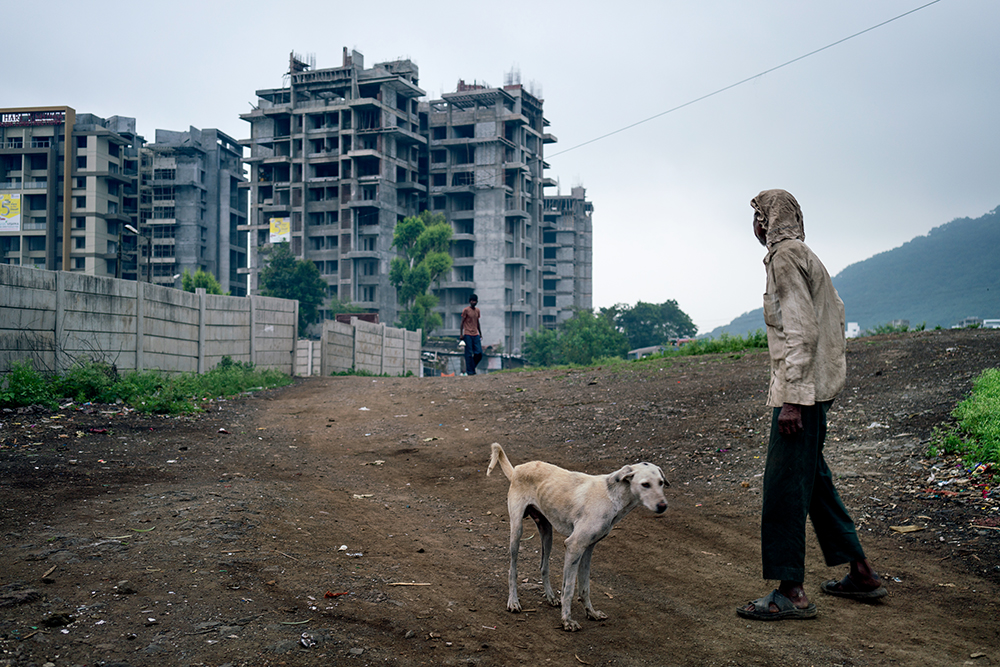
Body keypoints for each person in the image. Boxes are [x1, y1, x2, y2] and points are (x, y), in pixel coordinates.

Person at [737, 189, 886, 621]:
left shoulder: (784, 258)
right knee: (814, 480)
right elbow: (834, 319)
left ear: (766, 222)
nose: (754, 226)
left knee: (784, 487)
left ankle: (791, 591)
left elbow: (802, 332)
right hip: (817, 392)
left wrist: (793, 402)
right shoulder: (807, 255)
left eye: (756, 217)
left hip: (801, 396)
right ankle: (861, 572)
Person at [460, 293, 484, 375]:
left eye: (475, 301)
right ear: (470, 301)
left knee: (479, 353)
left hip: (476, 334)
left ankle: (471, 367)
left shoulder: (477, 310)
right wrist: (461, 334)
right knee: (469, 353)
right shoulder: (466, 310)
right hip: (467, 334)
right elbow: (462, 322)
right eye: (472, 301)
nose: (474, 302)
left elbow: (477, 322)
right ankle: (470, 371)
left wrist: (480, 333)